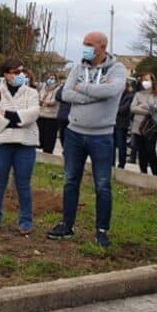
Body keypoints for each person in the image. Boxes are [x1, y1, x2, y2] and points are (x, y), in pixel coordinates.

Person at [47, 31, 126, 248]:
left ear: (102, 46)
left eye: (89, 44)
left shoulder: (117, 69)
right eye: (84, 43)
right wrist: (94, 93)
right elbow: (65, 94)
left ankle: (102, 231)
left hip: (101, 136)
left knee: (102, 185)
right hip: (74, 133)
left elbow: (112, 90)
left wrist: (82, 88)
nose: (85, 47)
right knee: (71, 180)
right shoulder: (78, 67)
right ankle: (67, 224)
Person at [0, 59, 39, 234]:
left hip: (26, 144)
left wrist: (8, 115)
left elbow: (33, 114)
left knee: (23, 184)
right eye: (15, 72)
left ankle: (25, 221)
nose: (19, 75)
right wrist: (17, 121)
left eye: (21, 71)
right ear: (6, 74)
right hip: (2, 144)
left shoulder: (31, 92)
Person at [130, 72, 157, 176]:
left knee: (150, 150)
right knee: (141, 151)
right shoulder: (138, 94)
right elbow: (132, 108)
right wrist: (147, 109)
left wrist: (143, 105)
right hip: (138, 127)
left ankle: (155, 173)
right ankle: (143, 172)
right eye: (143, 80)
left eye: (147, 80)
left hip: (152, 126)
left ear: (153, 81)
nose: (145, 82)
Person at [37, 73, 60, 154]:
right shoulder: (43, 87)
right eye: (49, 78)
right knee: (40, 134)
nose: (50, 80)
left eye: (52, 78)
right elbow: (39, 97)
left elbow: (54, 101)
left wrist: (46, 103)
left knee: (49, 136)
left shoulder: (58, 88)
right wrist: (41, 101)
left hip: (52, 116)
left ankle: (48, 152)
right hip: (41, 114)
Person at [113, 80, 135, 169]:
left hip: (122, 124)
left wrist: (113, 108)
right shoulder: (115, 95)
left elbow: (124, 109)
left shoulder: (129, 96)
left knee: (121, 145)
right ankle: (111, 163)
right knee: (111, 145)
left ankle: (121, 164)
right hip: (112, 123)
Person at [55, 83, 71, 150]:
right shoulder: (66, 85)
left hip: (75, 118)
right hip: (63, 116)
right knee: (63, 136)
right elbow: (58, 96)